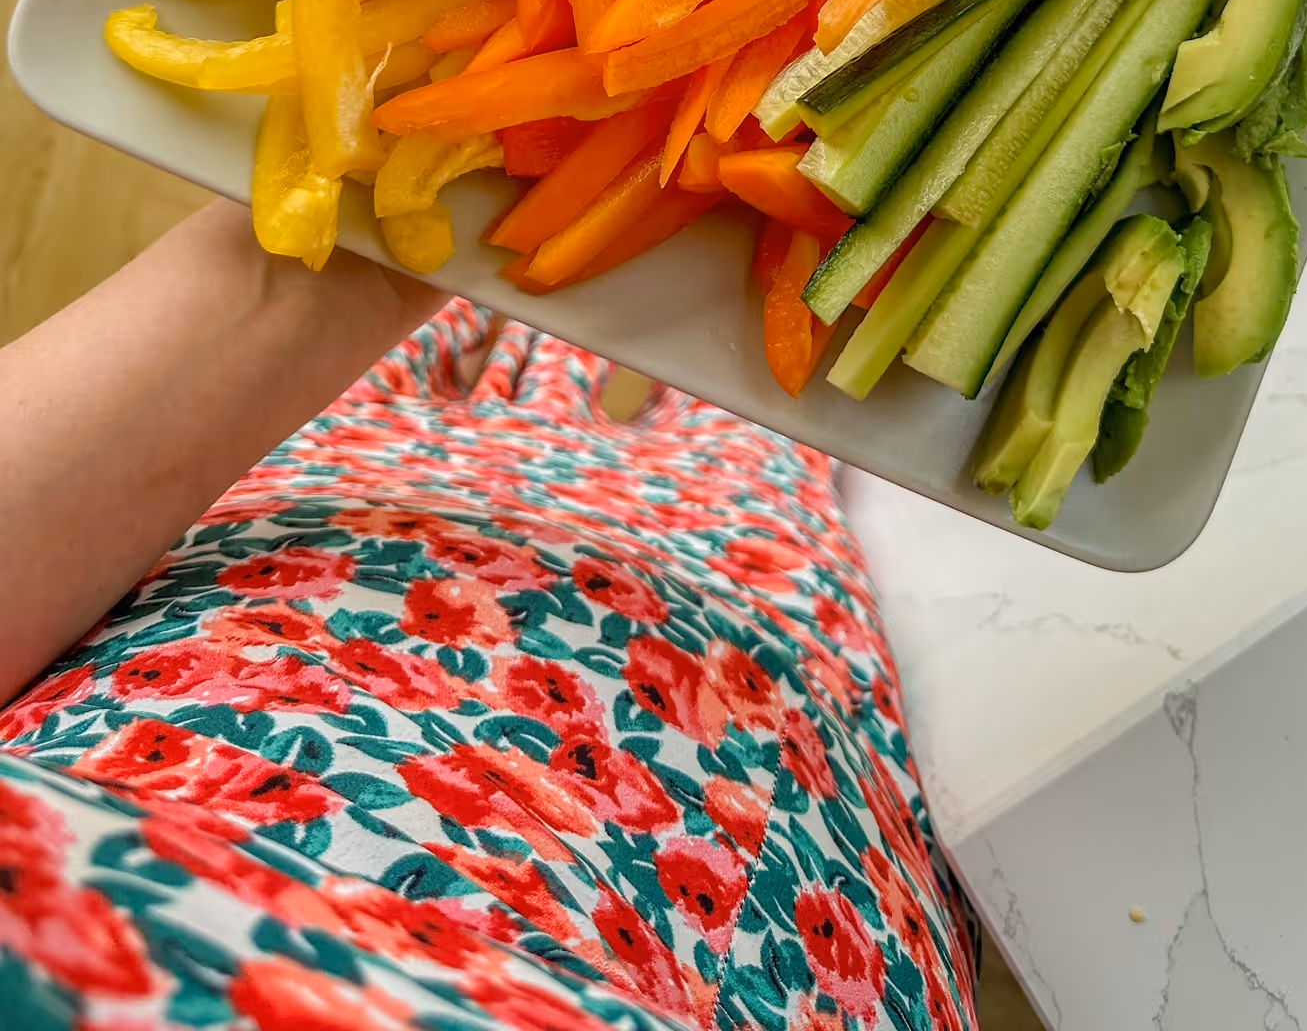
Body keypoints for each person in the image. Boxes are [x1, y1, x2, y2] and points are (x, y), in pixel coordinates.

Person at [0, 200, 977, 1030]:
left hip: (231, 625)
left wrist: (301, 289)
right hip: (765, 810)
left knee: (719, 355)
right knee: (778, 410)